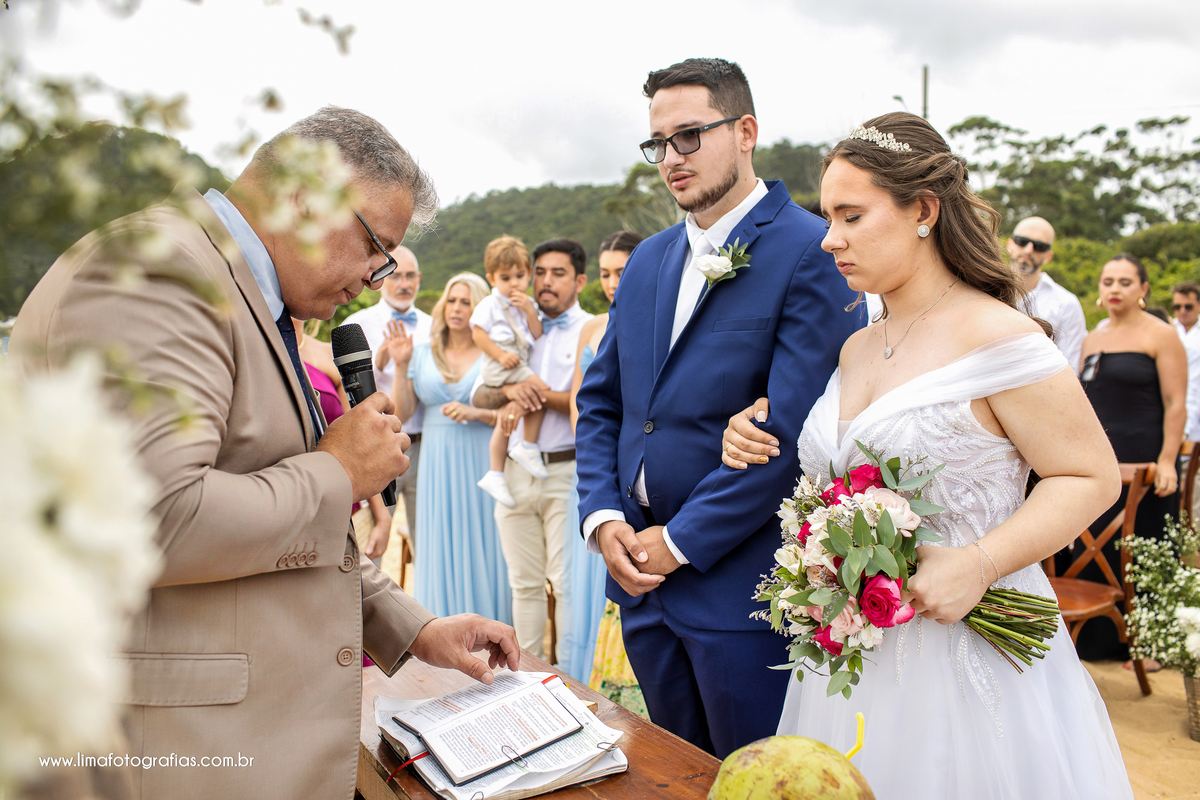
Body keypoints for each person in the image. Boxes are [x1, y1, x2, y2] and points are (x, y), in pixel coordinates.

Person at [11, 107, 519, 799]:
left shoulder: (243, 290)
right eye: (375, 246)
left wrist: (416, 628)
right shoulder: (158, 271)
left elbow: (271, 505)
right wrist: (338, 472)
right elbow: (154, 518)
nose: (374, 277)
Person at [721, 112, 1133, 799]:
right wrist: (749, 430)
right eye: (828, 217)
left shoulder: (1000, 336)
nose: (830, 239)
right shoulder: (856, 344)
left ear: (924, 211)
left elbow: (1089, 475)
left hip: (970, 655)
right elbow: (838, 460)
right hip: (855, 655)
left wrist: (979, 563)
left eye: (852, 216)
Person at [574, 58, 862, 758]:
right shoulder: (647, 261)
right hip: (640, 583)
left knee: (752, 776)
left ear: (745, 132)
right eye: (658, 144)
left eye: (689, 136)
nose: (671, 158)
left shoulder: (811, 249)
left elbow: (790, 434)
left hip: (739, 592)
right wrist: (603, 517)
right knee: (672, 773)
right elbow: (604, 402)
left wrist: (677, 543)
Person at [473, 238, 592, 661]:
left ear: (580, 281)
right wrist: (510, 392)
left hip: (565, 470)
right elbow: (480, 394)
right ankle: (523, 675)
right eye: (539, 272)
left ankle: (573, 678)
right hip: (515, 469)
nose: (545, 282)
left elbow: (588, 402)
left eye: (557, 273)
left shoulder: (592, 329)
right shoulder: (512, 322)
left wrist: (534, 395)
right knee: (523, 583)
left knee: (566, 583)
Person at [1075, 254, 1186, 663]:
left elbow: (1176, 403)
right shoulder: (1092, 338)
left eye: (1125, 282)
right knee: (1099, 544)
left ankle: (1150, 645)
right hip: (1103, 461)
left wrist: (1168, 460)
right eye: (1108, 281)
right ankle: (1097, 640)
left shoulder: (1161, 335)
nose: (1115, 289)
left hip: (1147, 459)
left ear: (1143, 289)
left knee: (1145, 545)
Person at [386, 272, 513, 624]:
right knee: (439, 541)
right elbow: (403, 413)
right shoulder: (421, 351)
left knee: (488, 542)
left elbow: (512, 413)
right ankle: (440, 630)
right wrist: (400, 366)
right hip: (437, 461)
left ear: (481, 309)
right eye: (452, 300)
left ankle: (492, 628)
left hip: (484, 457)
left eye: (467, 302)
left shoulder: (495, 355)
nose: (457, 308)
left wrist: (478, 413)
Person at [558, 231, 646, 702]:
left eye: (623, 271)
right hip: (593, 470)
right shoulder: (591, 327)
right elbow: (583, 401)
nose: (614, 282)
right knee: (581, 584)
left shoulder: (654, 317)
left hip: (634, 469)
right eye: (607, 273)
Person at [342, 246, 430, 554]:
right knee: (372, 543)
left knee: (428, 541)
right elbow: (347, 391)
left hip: (425, 449)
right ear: (382, 279)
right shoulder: (357, 325)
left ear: (419, 278)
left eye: (410, 276)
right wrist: (378, 365)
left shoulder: (434, 326)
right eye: (396, 276)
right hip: (376, 446)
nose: (404, 284)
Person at [295, 316, 392, 564]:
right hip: (294, 500)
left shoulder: (328, 354)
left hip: (345, 499)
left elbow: (361, 439)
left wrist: (382, 517)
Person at [471, 236, 551, 507]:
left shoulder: (526, 303)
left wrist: (529, 310)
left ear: (529, 273)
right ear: (491, 279)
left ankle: (496, 472)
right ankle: (528, 446)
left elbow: (537, 334)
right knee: (541, 391)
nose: (514, 284)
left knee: (510, 417)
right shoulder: (490, 305)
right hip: (501, 365)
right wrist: (500, 355)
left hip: (516, 363)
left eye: (519, 276)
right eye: (505, 278)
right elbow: (478, 334)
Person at [1008, 216, 1087, 373]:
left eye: (1039, 246)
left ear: (1048, 256)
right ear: (1010, 245)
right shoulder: (984, 290)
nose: (1028, 250)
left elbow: (1070, 367)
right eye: (1022, 241)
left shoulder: (1066, 303)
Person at [1172, 280, 1200, 443]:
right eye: (1177, 307)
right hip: (1175, 414)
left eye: (1188, 306)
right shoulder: (1166, 330)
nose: (1182, 311)